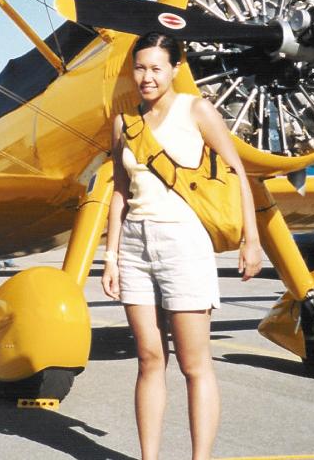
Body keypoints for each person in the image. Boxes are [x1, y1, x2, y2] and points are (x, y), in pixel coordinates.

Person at [102, 32, 264, 460]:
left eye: (157, 68)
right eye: (140, 68)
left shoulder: (196, 110)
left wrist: (251, 240)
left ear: (176, 68)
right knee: (149, 359)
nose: (147, 77)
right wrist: (111, 256)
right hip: (135, 245)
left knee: (194, 365)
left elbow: (237, 173)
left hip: (184, 244)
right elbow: (120, 191)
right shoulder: (124, 122)